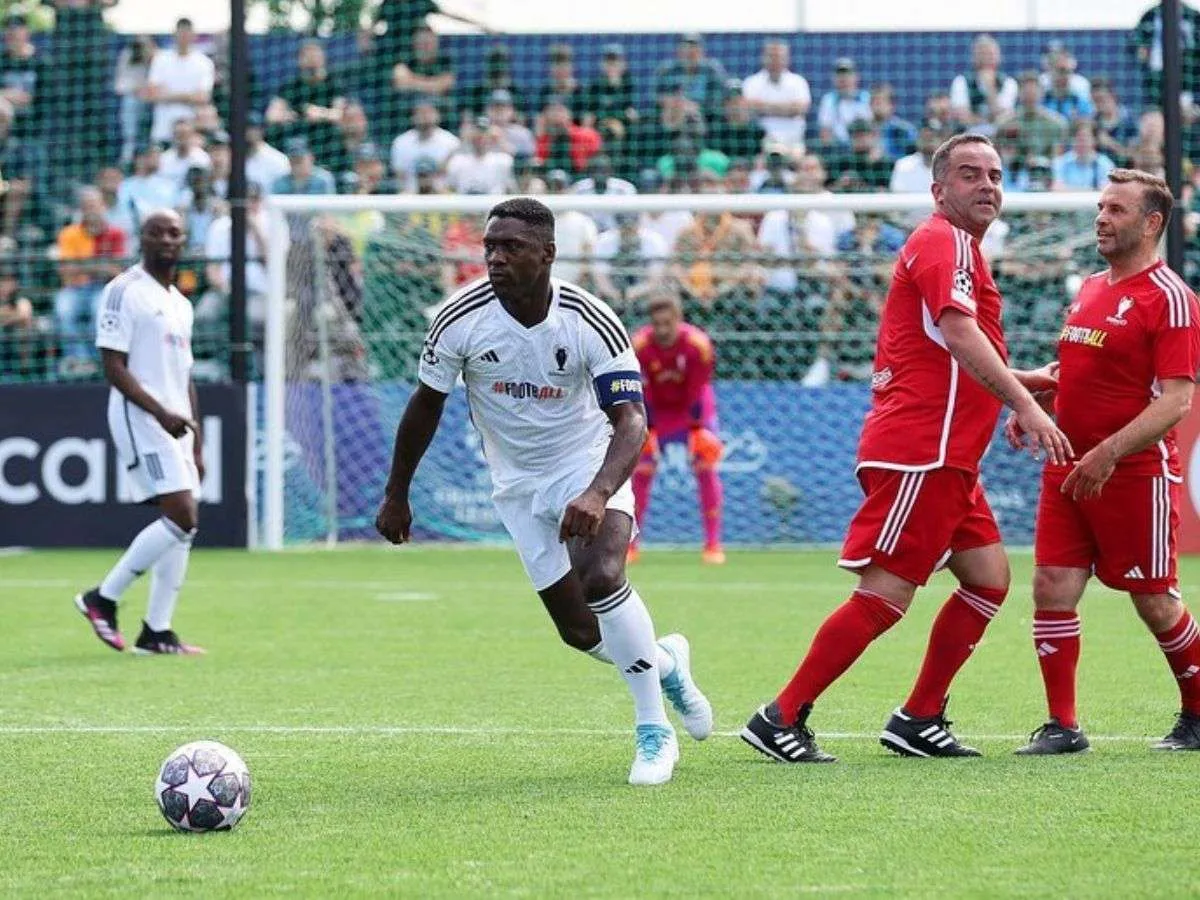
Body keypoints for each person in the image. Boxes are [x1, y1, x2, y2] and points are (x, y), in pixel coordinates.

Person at [739, 134, 1071, 763]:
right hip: (923, 448)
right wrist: (1024, 403)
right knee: (884, 596)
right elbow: (956, 331)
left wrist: (1024, 382)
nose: (987, 185)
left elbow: (950, 348)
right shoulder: (943, 240)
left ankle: (919, 717)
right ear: (938, 189)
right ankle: (780, 716)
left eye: (996, 175)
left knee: (988, 579)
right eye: (970, 174)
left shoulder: (961, 247)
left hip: (949, 454)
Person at [374, 198, 712, 785]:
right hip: (516, 484)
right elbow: (426, 405)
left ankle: (654, 731)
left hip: (586, 465)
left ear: (548, 254)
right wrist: (396, 492)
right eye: (490, 248)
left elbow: (633, 420)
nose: (496, 258)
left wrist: (598, 492)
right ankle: (667, 664)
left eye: (512, 247)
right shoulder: (458, 318)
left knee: (604, 576)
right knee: (581, 631)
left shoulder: (589, 318)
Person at [1008, 169, 1200, 754]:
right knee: (1051, 584)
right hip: (1067, 464)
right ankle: (1064, 726)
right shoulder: (1091, 286)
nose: (1101, 218)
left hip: (1132, 474)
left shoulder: (1170, 298)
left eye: (1115, 210)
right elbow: (1080, 371)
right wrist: (1036, 402)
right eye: (1100, 207)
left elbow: (1177, 399)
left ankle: (1197, 713)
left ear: (1151, 223)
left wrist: (1108, 453)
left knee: (1154, 599)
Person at [75, 210, 205, 656]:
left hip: (176, 422)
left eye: (174, 233)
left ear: (183, 241)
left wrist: (196, 438)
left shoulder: (181, 302)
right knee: (182, 516)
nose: (167, 240)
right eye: (157, 233)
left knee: (183, 527)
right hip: (141, 417)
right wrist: (161, 413)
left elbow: (185, 375)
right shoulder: (124, 290)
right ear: (142, 239)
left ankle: (157, 631)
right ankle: (102, 598)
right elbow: (113, 366)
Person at [629, 294, 724, 565]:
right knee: (641, 470)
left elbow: (698, 389)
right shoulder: (639, 347)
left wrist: (697, 428)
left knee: (705, 466)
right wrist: (648, 427)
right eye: (656, 323)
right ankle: (631, 545)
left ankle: (713, 545)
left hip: (691, 409)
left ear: (678, 321)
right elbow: (641, 391)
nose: (662, 330)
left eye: (667, 323)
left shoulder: (698, 346)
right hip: (657, 410)